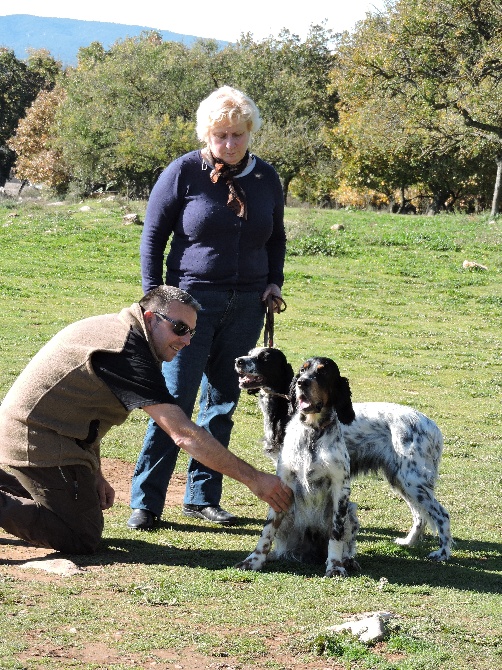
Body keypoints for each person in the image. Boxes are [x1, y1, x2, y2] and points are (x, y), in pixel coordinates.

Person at [0, 286, 292, 555]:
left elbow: (84, 410)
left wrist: (94, 472)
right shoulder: (126, 350)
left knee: (79, 510)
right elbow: (183, 434)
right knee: (81, 535)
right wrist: (256, 480)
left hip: (45, 436)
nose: (187, 341)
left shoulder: (126, 331)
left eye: (191, 332)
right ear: (151, 317)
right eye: (179, 329)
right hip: (35, 442)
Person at [127, 85, 286, 530]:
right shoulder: (183, 172)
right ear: (207, 134)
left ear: (249, 132)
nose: (229, 144)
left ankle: (202, 498)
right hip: (187, 307)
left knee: (222, 400)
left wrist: (274, 282)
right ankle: (146, 500)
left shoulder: (266, 178)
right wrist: (153, 300)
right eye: (221, 135)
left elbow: (276, 237)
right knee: (172, 400)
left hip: (248, 305)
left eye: (237, 135)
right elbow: (153, 238)